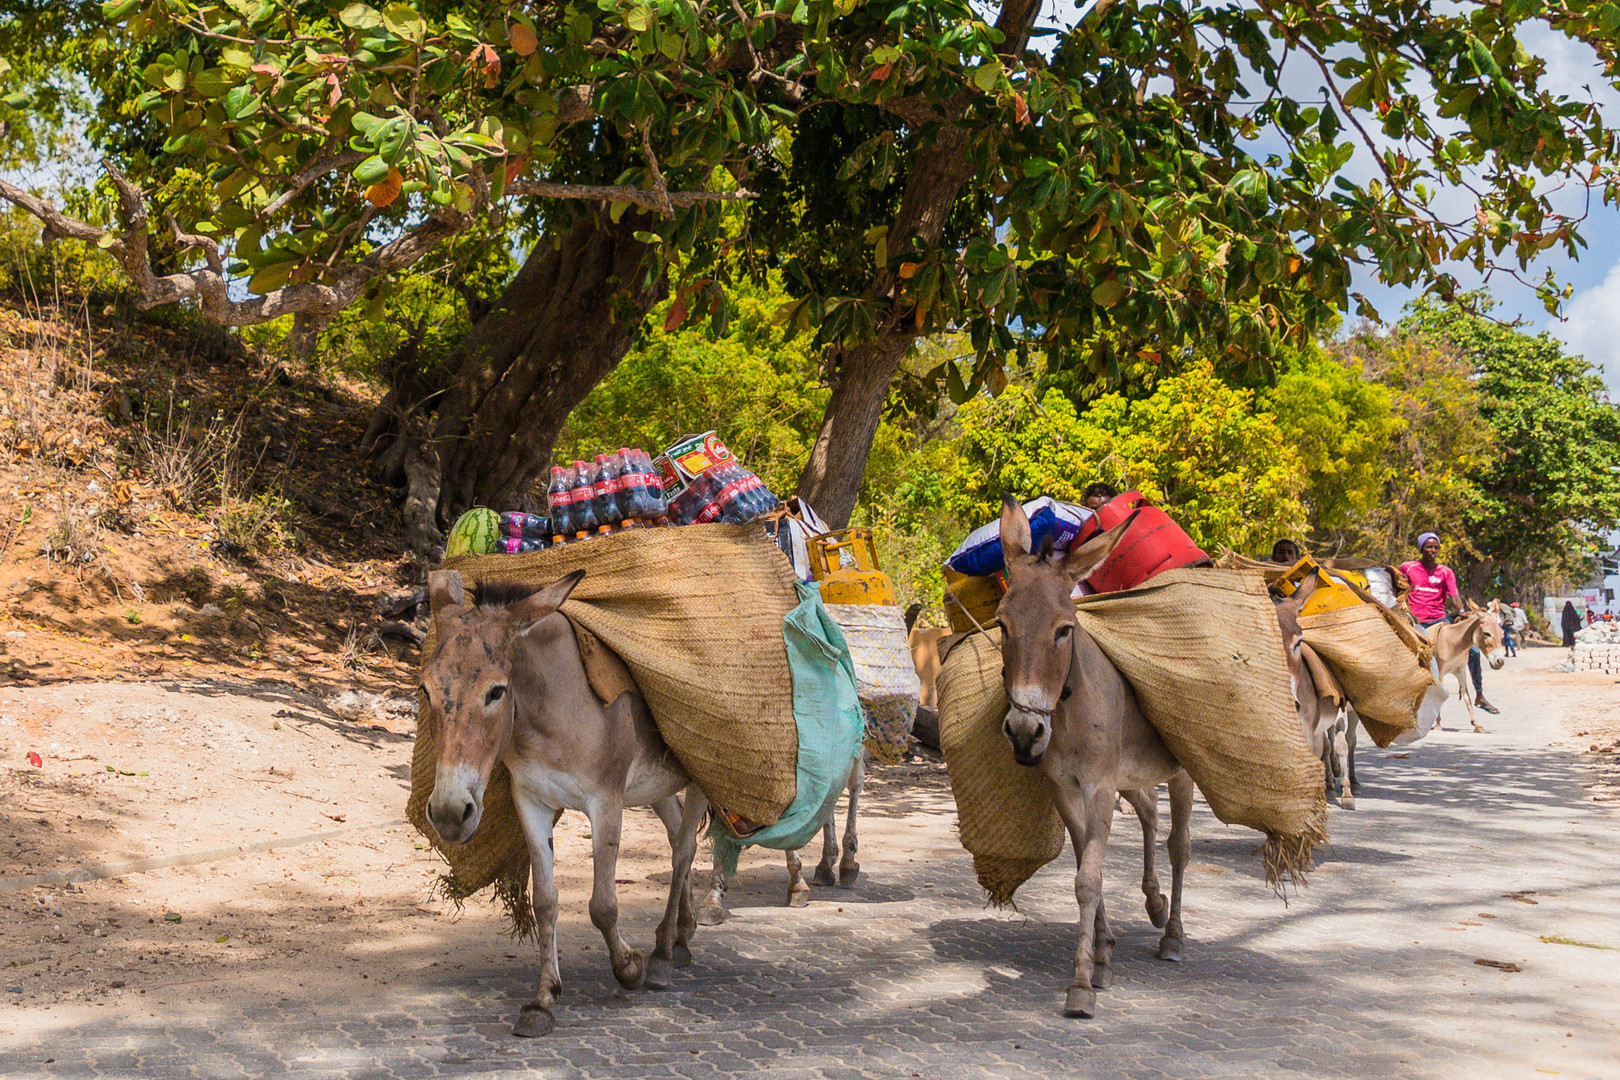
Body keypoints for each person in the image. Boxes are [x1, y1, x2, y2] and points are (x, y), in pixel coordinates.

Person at [1399, 531, 1499, 718]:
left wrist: (1462, 612)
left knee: (1474, 651)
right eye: (1428, 547)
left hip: (1439, 619)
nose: (1432, 550)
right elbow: (1398, 586)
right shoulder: (1408, 567)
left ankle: (1479, 694)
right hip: (1414, 619)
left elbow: (1454, 596)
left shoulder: (1446, 572)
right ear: (1421, 548)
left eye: (1435, 547)